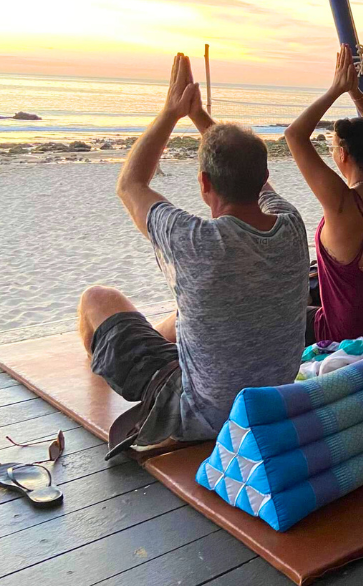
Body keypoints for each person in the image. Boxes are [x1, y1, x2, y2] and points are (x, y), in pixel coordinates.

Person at [77, 53, 309, 453]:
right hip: (271, 404)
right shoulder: (291, 225)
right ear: (264, 179)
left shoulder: (197, 241)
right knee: (176, 319)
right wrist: (201, 118)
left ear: (204, 183)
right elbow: (250, 179)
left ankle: (101, 366)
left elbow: (130, 183)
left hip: (203, 415)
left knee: (96, 299)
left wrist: (172, 112)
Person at [285, 43, 363, 347]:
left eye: (332, 148)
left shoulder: (340, 202)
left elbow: (294, 135)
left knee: (280, 315)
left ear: (341, 154)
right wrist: (356, 93)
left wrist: (337, 89)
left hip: (351, 332)